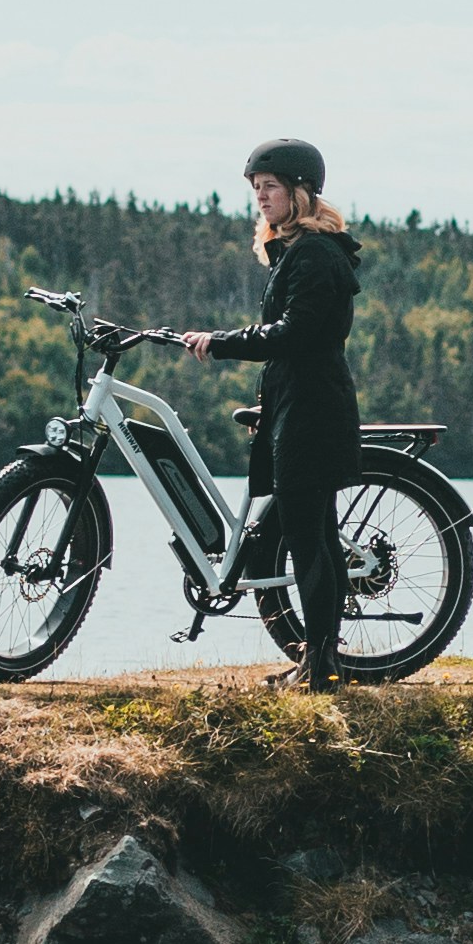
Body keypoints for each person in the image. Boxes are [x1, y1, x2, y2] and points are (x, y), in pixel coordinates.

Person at [181, 137, 361, 690]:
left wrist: (223, 342)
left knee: (311, 542)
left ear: (300, 192)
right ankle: (320, 661)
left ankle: (319, 668)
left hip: (313, 410)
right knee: (315, 538)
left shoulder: (315, 255)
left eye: (271, 188)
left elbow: (294, 335)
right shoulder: (298, 252)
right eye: (256, 189)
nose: (261, 198)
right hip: (299, 405)